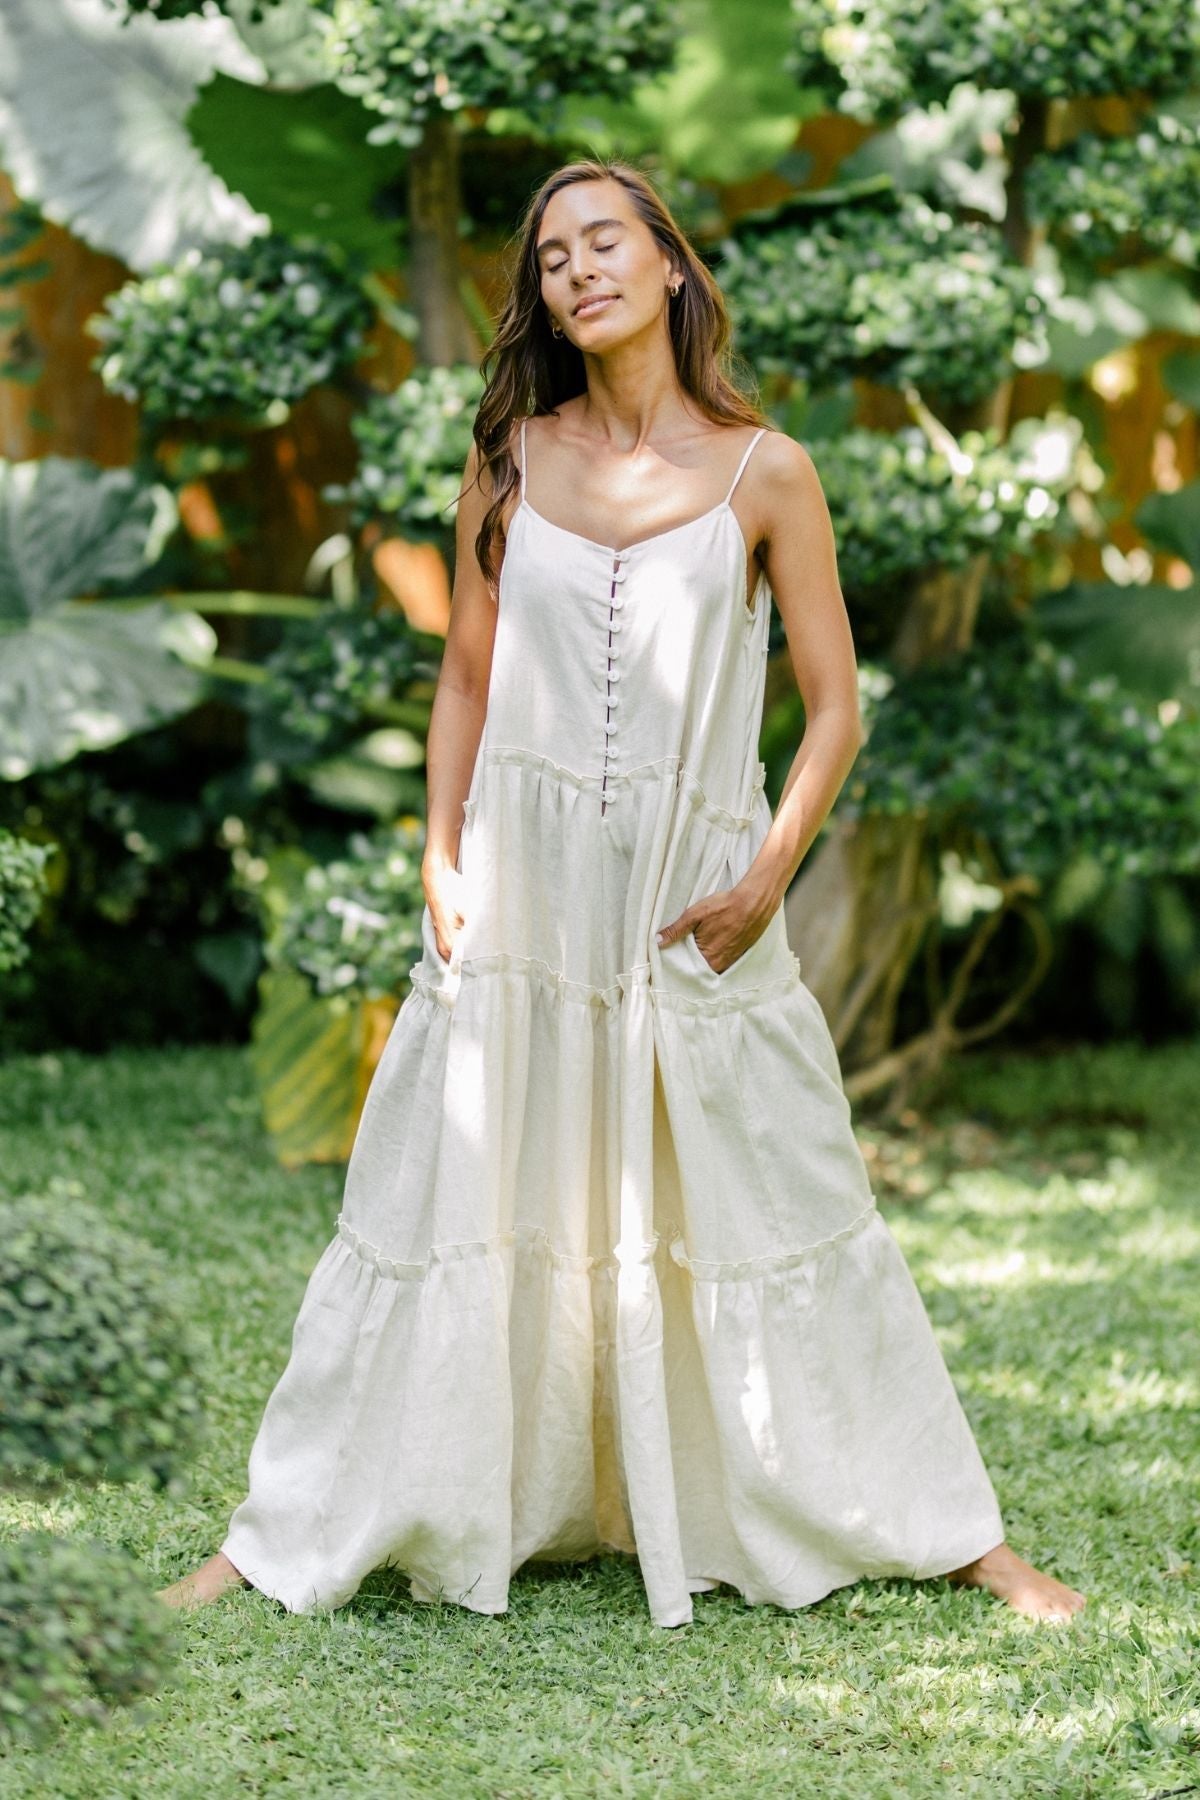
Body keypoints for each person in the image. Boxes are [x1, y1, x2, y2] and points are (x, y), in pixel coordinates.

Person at [160, 157, 1085, 1626]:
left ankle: (954, 1530)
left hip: (691, 895)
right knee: (444, 1197)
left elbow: (835, 706)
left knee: (781, 1187)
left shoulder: (767, 470)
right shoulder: (513, 458)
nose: (575, 269)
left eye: (606, 241)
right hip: (520, 898)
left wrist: (766, 874)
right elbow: (464, 674)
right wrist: (439, 857)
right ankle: (283, 1535)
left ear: (669, 265)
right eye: (547, 257)